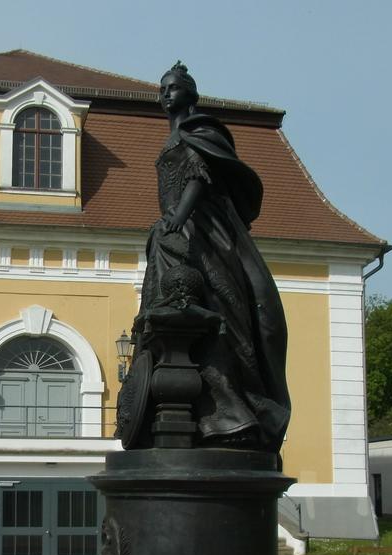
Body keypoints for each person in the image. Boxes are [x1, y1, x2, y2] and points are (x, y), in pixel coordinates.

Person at [130, 61, 291, 454]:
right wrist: (167, 227)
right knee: (168, 314)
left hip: (202, 233)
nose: (165, 94)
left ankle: (232, 414)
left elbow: (199, 178)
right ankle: (171, 411)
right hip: (171, 232)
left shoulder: (199, 131)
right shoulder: (172, 138)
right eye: (162, 89)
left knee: (220, 310)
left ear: (191, 93)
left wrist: (178, 220)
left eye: (173, 87)